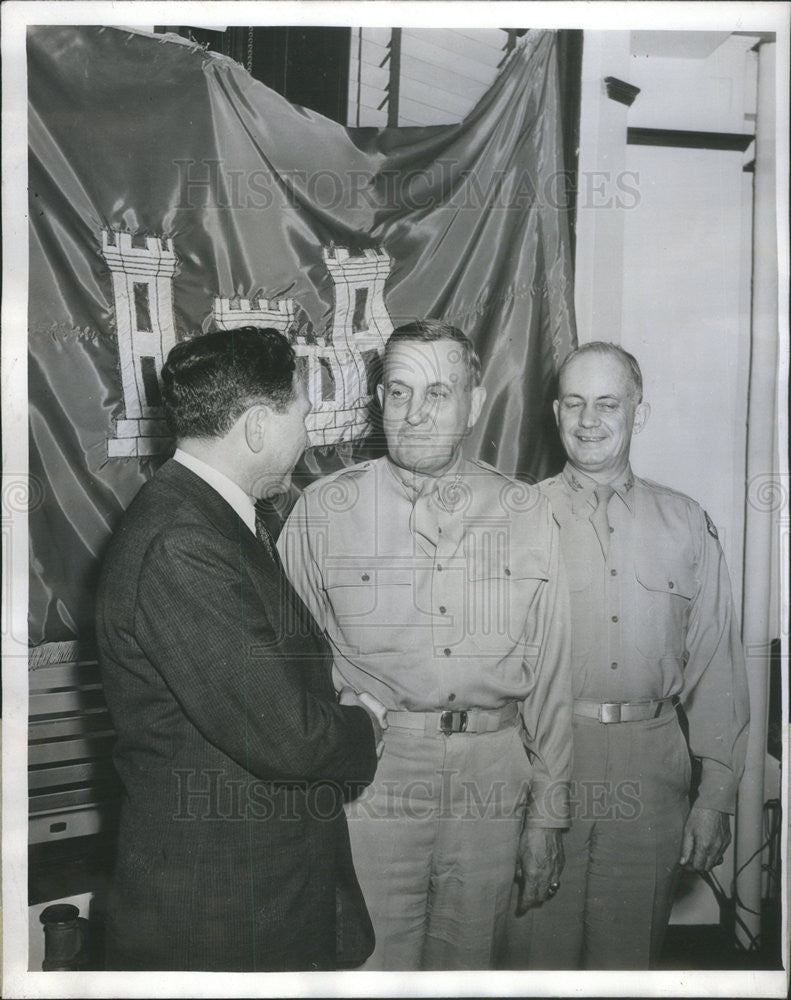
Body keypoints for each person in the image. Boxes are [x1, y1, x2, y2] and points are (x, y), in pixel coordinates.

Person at [278, 320, 572, 970]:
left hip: (493, 779)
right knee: (369, 967)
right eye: (397, 391)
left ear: (472, 402)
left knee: (471, 968)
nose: (413, 414)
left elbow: (552, 676)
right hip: (372, 775)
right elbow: (286, 667)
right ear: (377, 400)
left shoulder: (527, 514)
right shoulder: (323, 512)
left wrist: (548, 815)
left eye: (437, 394)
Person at [95, 327, 382, 972]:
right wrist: (364, 726)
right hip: (224, 911)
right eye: (302, 416)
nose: (310, 436)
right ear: (257, 426)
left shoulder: (212, 518)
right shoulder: (182, 542)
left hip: (261, 893)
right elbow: (290, 738)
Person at [503, 341, 750, 970]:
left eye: (608, 404)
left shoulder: (687, 524)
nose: (590, 420)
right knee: (538, 962)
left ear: (639, 412)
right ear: (555, 411)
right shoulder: (515, 521)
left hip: (651, 771)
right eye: (575, 403)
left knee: (627, 962)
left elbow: (716, 666)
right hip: (545, 763)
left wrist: (715, 795)